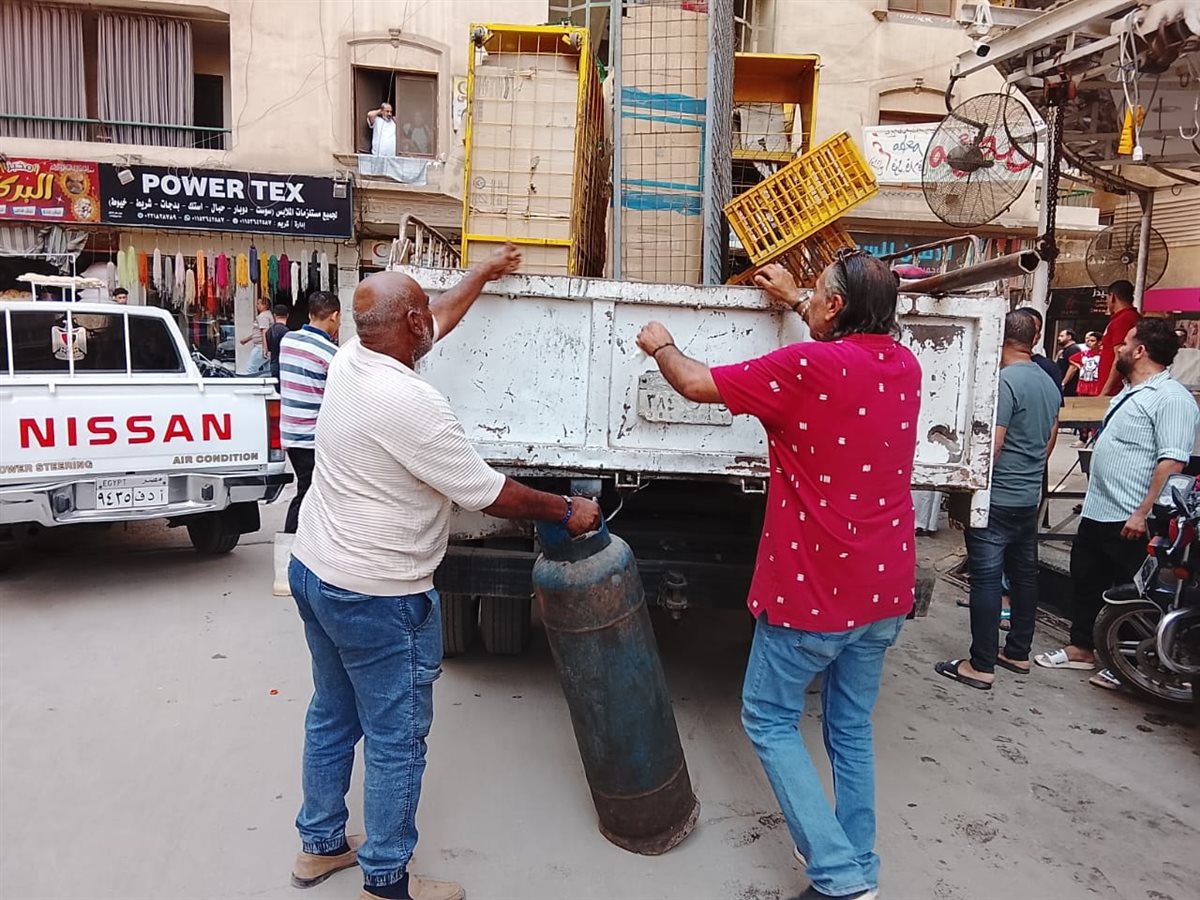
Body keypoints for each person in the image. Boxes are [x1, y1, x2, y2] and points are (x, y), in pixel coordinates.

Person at [286, 244, 602, 900]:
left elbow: (436, 322)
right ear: (411, 327)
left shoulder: (354, 356)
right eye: (424, 312)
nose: (432, 319)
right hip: (375, 594)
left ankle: (319, 845)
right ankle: (387, 879)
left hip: (314, 568)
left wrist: (480, 275)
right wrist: (566, 508)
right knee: (397, 737)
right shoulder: (413, 405)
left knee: (333, 711)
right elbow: (487, 493)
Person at [635, 249, 918, 900]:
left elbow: (696, 384)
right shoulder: (904, 365)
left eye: (819, 292)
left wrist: (662, 343)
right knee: (849, 727)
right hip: (883, 589)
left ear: (836, 307)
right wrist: (797, 297)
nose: (811, 298)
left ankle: (840, 877)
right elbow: (839, 337)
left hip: (815, 589)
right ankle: (859, 863)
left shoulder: (805, 367)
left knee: (766, 717)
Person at [1036, 318, 1200, 672]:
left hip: (1131, 516)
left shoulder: (1171, 399)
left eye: (1125, 343)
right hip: (1099, 507)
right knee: (1087, 579)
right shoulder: (1129, 391)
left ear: (1140, 351)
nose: (1119, 349)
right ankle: (1081, 648)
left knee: (1131, 591)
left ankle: (1126, 664)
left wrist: (1143, 513)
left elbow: (1172, 462)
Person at [934, 312, 1061, 690]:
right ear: (1034, 339)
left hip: (999, 496)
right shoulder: (1048, 381)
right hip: (1027, 496)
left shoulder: (1005, 381)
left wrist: (970, 486)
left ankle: (981, 664)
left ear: (1001, 339)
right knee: (1024, 576)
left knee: (987, 580)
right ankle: (1018, 652)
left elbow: (996, 441)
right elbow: (1051, 438)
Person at [272, 291, 341, 597]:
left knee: (310, 493)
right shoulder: (331, 353)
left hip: (291, 432)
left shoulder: (288, 341)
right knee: (307, 495)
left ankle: (309, 561)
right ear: (335, 317)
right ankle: (285, 572)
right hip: (313, 437)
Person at [1096, 279, 1140, 397]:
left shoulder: (1123, 319)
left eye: (1107, 298)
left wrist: (1105, 391)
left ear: (1112, 297)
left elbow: (1120, 355)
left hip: (1115, 391)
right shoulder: (1128, 317)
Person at [1064, 331, 1102, 397]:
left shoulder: (1102, 354)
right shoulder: (1084, 353)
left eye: (1092, 341)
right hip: (1083, 382)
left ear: (1099, 342)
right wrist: (1080, 366)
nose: (1089, 342)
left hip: (1096, 382)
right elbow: (1071, 359)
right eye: (1088, 340)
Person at [241, 297, 272, 374]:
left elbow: (264, 331)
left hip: (260, 346)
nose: (256, 305)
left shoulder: (263, 316)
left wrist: (265, 348)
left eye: (258, 303)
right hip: (265, 346)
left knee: (250, 369)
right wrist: (247, 339)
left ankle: (252, 386)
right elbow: (258, 332)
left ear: (265, 305)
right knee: (266, 371)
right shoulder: (268, 315)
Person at [1055, 328, 1084, 397]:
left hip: (1069, 388)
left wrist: (1063, 383)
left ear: (1069, 337)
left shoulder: (1074, 349)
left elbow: (1073, 368)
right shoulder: (1064, 351)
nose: (1059, 338)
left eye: (1062, 336)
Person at [265, 304, 291, 382]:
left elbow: (269, 349)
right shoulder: (287, 332)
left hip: (273, 364)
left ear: (274, 315)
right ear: (287, 315)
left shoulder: (269, 331)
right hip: (284, 366)